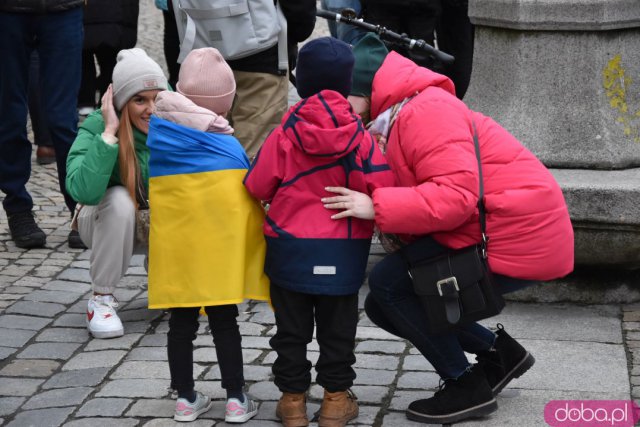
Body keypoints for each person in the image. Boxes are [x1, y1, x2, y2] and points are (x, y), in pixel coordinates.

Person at [322, 34, 574, 425]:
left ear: (364, 88)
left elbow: (456, 197)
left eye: (342, 99)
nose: (339, 109)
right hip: (497, 226)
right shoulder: (400, 112)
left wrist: (378, 206)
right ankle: (499, 354)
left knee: (390, 285)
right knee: (383, 302)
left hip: (514, 233)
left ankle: (464, 385)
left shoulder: (426, 111)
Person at [244, 37, 395, 427]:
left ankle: (293, 403)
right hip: (342, 254)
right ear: (348, 84)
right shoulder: (361, 139)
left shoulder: (284, 134)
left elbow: (257, 186)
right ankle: (334, 402)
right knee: (338, 332)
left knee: (290, 332)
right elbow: (384, 185)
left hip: (290, 250)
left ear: (301, 81)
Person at [147, 47, 270, 423]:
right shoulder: (227, 145)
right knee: (224, 320)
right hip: (216, 253)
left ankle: (185, 398)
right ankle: (235, 399)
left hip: (178, 251)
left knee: (180, 322)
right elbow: (245, 197)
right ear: (225, 104)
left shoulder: (160, 134)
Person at [66, 48, 168, 339]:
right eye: (139, 100)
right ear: (122, 103)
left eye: (156, 98)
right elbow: (83, 191)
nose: (150, 108)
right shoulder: (98, 126)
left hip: (156, 217)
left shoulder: (175, 120)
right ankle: (101, 299)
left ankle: (172, 282)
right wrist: (109, 134)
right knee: (120, 200)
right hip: (103, 219)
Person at [0, 0, 84, 249]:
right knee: (10, 116)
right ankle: (18, 208)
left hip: (64, 9)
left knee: (63, 119)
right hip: (8, 12)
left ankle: (79, 208)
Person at [78, 0, 140, 116]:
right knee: (110, 62)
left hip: (83, 14)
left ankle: (85, 101)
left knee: (83, 58)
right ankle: (107, 102)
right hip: (116, 17)